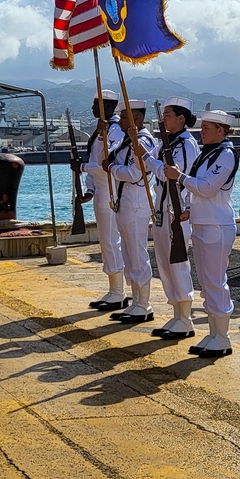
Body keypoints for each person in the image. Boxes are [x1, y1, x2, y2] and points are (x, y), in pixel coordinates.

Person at [164, 110, 239, 358]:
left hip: (217, 225)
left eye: (207, 128)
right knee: (206, 283)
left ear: (221, 131)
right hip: (202, 222)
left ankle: (223, 336)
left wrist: (179, 176)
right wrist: (187, 209)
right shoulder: (207, 154)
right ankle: (214, 333)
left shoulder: (225, 155)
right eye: (202, 127)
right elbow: (197, 191)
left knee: (216, 281)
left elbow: (207, 188)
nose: (202, 131)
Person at [140, 96, 200, 340]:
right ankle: (176, 314)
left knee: (177, 263)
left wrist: (146, 157)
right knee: (164, 264)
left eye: (167, 115)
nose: (163, 119)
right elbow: (151, 168)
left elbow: (169, 175)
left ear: (181, 118)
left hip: (178, 210)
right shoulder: (167, 142)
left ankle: (185, 317)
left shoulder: (186, 144)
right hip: (163, 208)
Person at [103, 99, 156, 324]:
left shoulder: (143, 141)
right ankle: (135, 302)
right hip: (125, 203)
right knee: (128, 254)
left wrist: (112, 169)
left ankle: (143, 304)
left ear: (137, 119)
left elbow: (136, 174)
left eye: (124, 117)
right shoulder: (127, 140)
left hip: (136, 203)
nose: (120, 120)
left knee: (137, 255)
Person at [75, 89, 126, 311]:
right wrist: (89, 189)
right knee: (105, 242)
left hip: (112, 191)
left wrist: (83, 167)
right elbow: (93, 159)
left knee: (111, 241)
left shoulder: (114, 131)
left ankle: (119, 292)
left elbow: (107, 165)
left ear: (107, 106)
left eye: (96, 104)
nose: (93, 109)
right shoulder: (99, 131)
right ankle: (113, 288)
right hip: (101, 191)